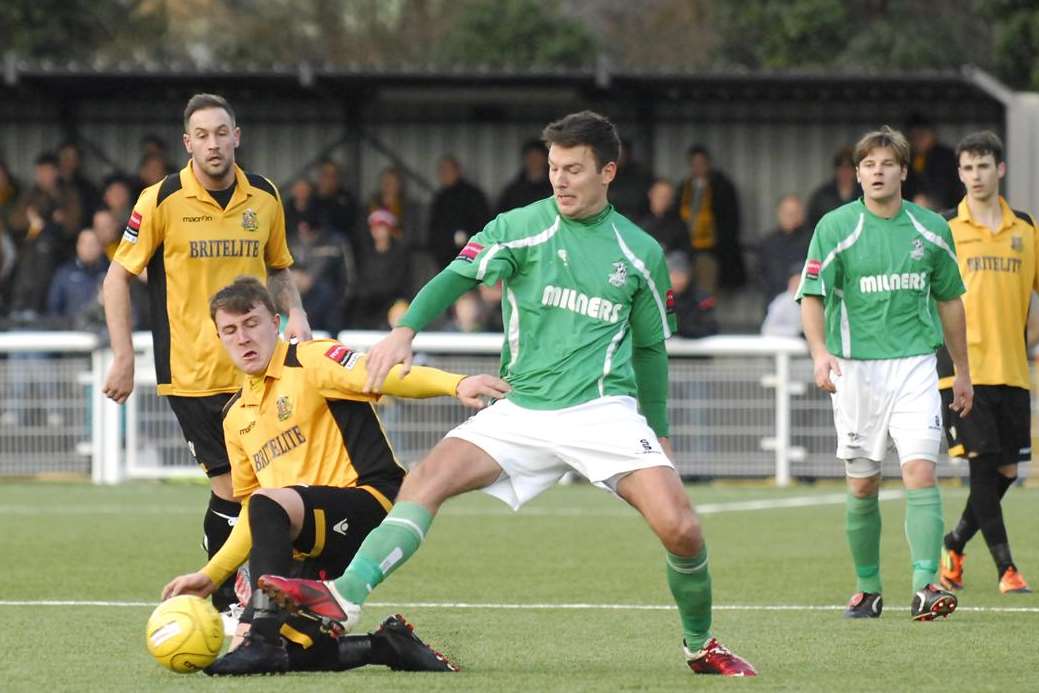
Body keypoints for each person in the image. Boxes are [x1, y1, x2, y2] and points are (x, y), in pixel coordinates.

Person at [258, 110, 758, 677]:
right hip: (520, 409)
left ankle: (700, 646)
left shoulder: (640, 254)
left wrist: (659, 425)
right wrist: (404, 331)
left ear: (608, 172)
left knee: (682, 529)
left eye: (573, 169)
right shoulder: (522, 226)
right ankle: (343, 599)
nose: (560, 180)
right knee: (426, 479)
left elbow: (649, 351)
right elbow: (456, 275)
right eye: (553, 168)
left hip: (601, 412)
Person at [161, 276, 508, 675]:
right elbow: (256, 515)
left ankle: (260, 636)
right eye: (231, 330)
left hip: (368, 503)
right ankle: (385, 646)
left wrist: (456, 384)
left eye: (252, 323)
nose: (243, 338)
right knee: (302, 653)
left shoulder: (310, 360)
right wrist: (210, 575)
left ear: (275, 322)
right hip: (312, 536)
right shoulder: (236, 417)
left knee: (267, 517)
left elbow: (385, 373)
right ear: (220, 338)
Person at [101, 93, 312, 619]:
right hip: (194, 374)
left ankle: (270, 596)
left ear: (237, 136)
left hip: (260, 370)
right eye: (203, 135)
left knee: (276, 487)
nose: (214, 144)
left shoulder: (265, 196)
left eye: (222, 133)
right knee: (236, 488)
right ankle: (225, 602)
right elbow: (117, 277)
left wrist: (297, 314)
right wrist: (123, 356)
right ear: (187, 143)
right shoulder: (160, 200)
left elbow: (279, 266)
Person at [797, 125, 973, 621]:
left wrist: (962, 370)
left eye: (886, 163)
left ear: (902, 170)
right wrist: (819, 353)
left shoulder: (932, 230)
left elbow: (950, 302)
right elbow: (812, 297)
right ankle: (868, 588)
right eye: (868, 164)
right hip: (855, 373)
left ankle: (925, 584)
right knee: (862, 484)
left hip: (916, 366)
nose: (877, 171)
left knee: (921, 470)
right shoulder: (835, 227)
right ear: (857, 174)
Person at [937, 131, 1037, 595]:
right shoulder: (946, 230)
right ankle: (1006, 568)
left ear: (999, 169)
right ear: (959, 174)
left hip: (1013, 369)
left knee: (1007, 473)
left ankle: (954, 544)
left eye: (983, 166)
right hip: (963, 371)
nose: (975, 176)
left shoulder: (1025, 229)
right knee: (981, 464)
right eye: (967, 168)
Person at [675, 145, 745, 292]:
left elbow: (731, 221)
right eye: (694, 164)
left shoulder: (722, 187)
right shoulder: (684, 187)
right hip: (685, 248)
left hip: (711, 250)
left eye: (702, 163)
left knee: (705, 289)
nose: (698, 168)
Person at [347, 209, 412, 329]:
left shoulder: (400, 252)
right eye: (374, 226)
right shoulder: (364, 251)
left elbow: (399, 283)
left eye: (381, 226)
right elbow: (358, 278)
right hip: (366, 303)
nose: (377, 230)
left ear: (390, 229)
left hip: (392, 301)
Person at [427, 155, 491, 270]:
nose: (444, 174)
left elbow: (484, 225)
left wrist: (466, 238)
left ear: (458, 171)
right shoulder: (439, 198)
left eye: (448, 170)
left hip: (471, 257)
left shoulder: (473, 195)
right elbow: (433, 229)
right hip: (444, 260)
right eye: (442, 170)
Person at [757, 195, 810, 316]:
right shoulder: (768, 242)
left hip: (804, 304)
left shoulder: (813, 240)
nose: (791, 217)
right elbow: (759, 274)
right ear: (779, 214)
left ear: (802, 214)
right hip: (773, 304)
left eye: (795, 212)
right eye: (787, 213)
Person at [904, 114, 961, 211]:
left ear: (933, 135)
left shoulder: (946, 157)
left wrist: (933, 202)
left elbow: (951, 186)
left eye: (921, 135)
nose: (918, 140)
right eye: (913, 137)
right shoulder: (907, 158)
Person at [807, 146, 860, 230]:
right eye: (841, 168)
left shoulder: (864, 193)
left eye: (849, 167)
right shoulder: (822, 196)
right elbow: (812, 225)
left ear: (855, 170)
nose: (845, 172)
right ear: (836, 170)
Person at [497, 139, 553, 213]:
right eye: (530, 157)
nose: (534, 160)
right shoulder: (513, 191)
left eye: (537, 156)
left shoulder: (553, 187)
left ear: (545, 158)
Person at [638, 178, 685, 252]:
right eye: (658, 195)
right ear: (650, 194)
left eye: (666, 197)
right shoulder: (637, 219)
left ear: (672, 200)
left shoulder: (679, 225)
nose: (661, 199)